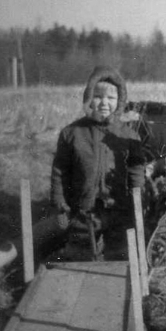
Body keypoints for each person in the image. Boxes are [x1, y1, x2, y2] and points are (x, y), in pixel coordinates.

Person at [48, 65, 145, 261]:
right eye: (98, 96)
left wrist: (138, 199)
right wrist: (59, 202)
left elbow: (136, 171)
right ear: (88, 97)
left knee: (118, 261)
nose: (104, 103)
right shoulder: (72, 133)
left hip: (118, 213)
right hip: (82, 214)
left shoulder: (128, 135)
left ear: (119, 101)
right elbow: (60, 171)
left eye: (111, 98)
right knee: (81, 259)